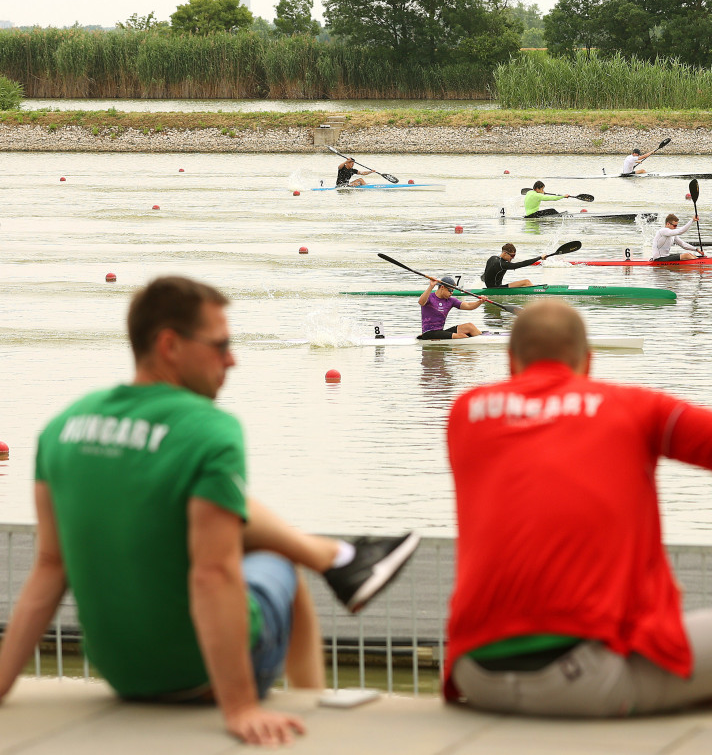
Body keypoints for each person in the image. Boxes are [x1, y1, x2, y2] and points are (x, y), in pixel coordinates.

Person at [0, 276, 421, 747]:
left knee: (203, 512)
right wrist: (239, 707)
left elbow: (50, 568)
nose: (232, 360)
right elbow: (212, 575)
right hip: (197, 678)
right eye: (220, 346)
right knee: (280, 563)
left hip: (122, 674)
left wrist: (1, 683)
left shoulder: (63, 427)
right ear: (169, 345)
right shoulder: (209, 431)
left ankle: (336, 558)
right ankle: (313, 689)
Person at [443, 300, 712, 717]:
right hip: (581, 679)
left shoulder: (465, 413)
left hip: (473, 672)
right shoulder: (631, 407)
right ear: (588, 361)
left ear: (509, 360)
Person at [418, 275, 483, 340]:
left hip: (440, 332)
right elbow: (421, 302)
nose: (451, 293)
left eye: (453, 290)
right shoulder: (429, 297)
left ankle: (483, 340)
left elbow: (468, 306)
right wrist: (431, 286)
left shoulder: (451, 301)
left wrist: (480, 301)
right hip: (429, 333)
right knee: (461, 336)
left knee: (469, 326)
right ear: (442, 287)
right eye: (450, 290)